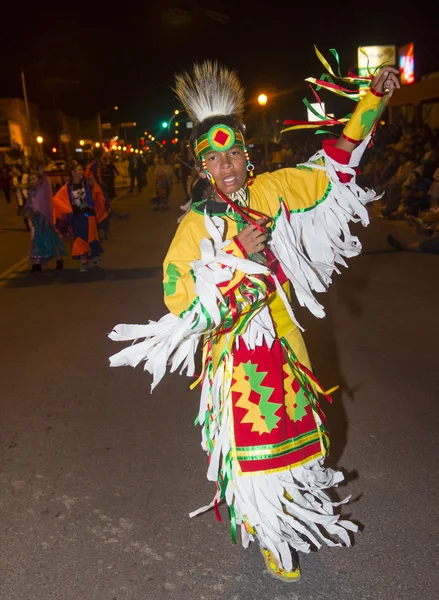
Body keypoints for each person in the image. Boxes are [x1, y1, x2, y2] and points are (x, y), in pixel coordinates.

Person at [110, 58, 399, 583]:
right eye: (214, 158)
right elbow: (178, 296)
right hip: (237, 353)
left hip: (285, 338)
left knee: (305, 436)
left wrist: (372, 101)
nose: (226, 166)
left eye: (234, 153)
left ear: (248, 154)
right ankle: (269, 533)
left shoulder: (272, 190)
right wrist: (230, 259)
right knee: (256, 452)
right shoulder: (196, 225)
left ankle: (291, 512)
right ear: (201, 168)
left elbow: (332, 160)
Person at [53, 163, 103, 272]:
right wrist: (67, 210)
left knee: (91, 237)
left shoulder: (87, 183)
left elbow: (96, 188)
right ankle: (84, 262)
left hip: (88, 215)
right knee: (79, 239)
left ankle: (95, 256)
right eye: (79, 169)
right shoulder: (67, 187)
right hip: (77, 217)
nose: (81, 172)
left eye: (82, 169)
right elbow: (56, 199)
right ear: (73, 172)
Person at [24, 169, 66, 272]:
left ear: (39, 180)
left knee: (52, 239)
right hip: (35, 219)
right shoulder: (31, 192)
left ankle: (59, 260)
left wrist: (42, 170)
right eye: (30, 180)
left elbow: (45, 182)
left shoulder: (43, 190)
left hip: (45, 219)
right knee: (36, 240)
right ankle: (37, 263)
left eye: (34, 179)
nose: (32, 181)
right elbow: (29, 205)